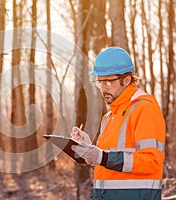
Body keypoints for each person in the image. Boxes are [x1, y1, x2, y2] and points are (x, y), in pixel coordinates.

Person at [71, 46, 166, 200]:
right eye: (100, 82)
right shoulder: (108, 118)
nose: (103, 88)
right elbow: (109, 166)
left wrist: (102, 157)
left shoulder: (145, 108)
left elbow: (152, 162)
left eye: (108, 82)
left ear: (126, 80)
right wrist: (90, 152)